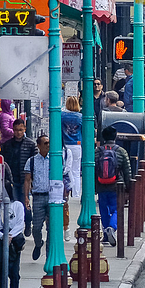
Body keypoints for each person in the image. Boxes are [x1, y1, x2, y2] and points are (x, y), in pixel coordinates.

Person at [24, 135, 71, 262]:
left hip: (52, 196)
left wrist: (64, 194)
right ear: (39, 146)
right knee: (36, 227)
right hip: (38, 197)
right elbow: (27, 180)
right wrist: (26, 198)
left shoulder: (56, 159)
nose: (48, 145)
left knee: (52, 228)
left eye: (49, 143)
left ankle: (49, 255)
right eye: (45, 143)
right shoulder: (32, 161)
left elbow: (62, 176)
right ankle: (38, 243)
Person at [95, 127, 133, 246]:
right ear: (115, 136)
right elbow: (127, 170)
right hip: (117, 185)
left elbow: (93, 169)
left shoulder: (97, 151)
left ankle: (106, 234)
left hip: (101, 185)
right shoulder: (121, 151)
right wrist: (129, 188)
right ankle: (112, 227)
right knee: (116, 208)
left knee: (103, 210)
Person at [0, 118, 37, 205]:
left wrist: (32, 178)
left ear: (25, 129)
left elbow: (35, 162)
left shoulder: (30, 144)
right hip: (11, 178)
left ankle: (26, 218)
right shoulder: (7, 144)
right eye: (16, 130)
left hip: (25, 179)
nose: (18, 132)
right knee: (13, 202)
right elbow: (3, 161)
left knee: (25, 202)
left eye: (20, 130)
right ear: (13, 130)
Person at [61, 96, 83, 242]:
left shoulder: (62, 116)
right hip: (77, 144)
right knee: (76, 169)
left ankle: (68, 189)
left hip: (66, 144)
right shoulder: (80, 117)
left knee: (66, 170)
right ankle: (76, 191)